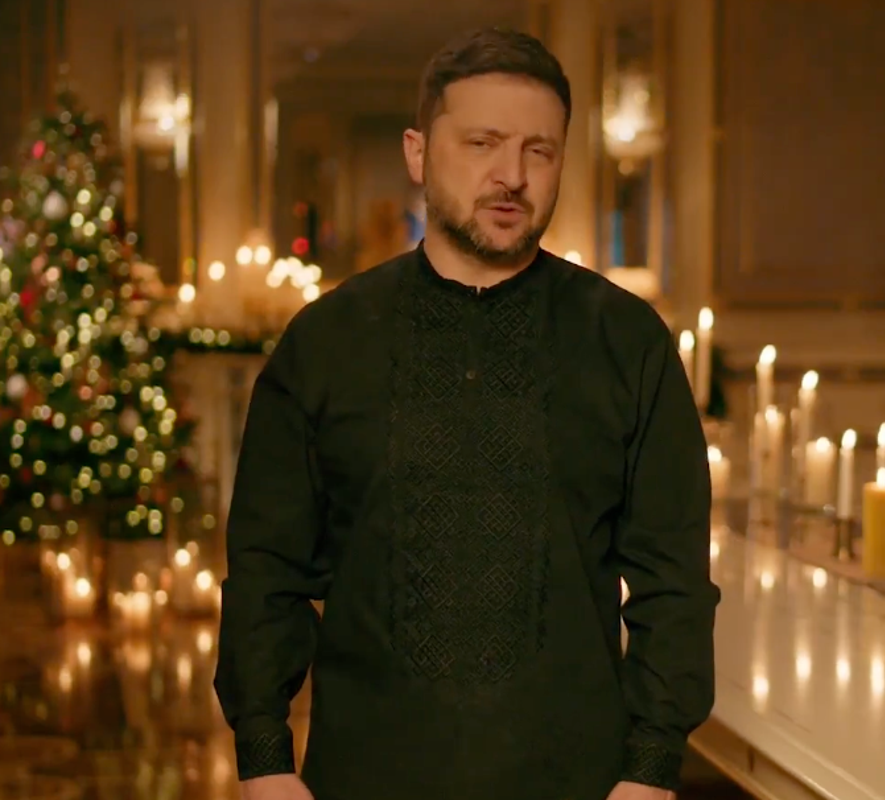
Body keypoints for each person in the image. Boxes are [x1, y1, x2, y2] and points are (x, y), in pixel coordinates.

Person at [215, 27, 718, 800]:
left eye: (539, 151)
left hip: (578, 784)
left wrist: (651, 769)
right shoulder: (327, 341)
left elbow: (674, 581)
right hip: (363, 778)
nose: (511, 175)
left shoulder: (627, 342)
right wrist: (264, 758)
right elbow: (265, 566)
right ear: (418, 153)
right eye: (482, 143)